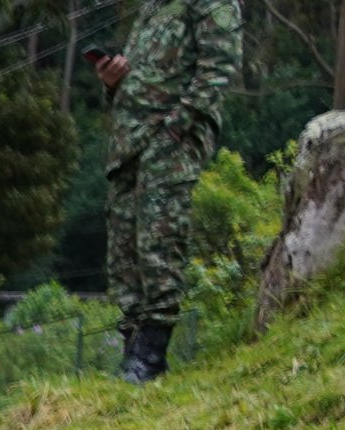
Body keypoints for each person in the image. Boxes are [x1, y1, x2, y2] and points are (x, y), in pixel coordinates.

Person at [98, 0, 238, 385]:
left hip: (171, 138)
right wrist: (112, 82)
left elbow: (219, 67)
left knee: (159, 235)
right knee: (124, 244)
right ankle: (132, 349)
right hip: (129, 142)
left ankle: (151, 354)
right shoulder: (152, 8)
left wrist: (179, 124)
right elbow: (140, 79)